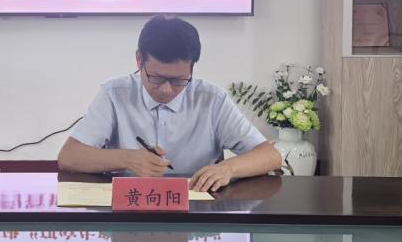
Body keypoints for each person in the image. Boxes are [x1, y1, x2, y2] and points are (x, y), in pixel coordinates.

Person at [57, 15, 281, 192]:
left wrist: (228, 169)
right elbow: (69, 157)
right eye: (156, 77)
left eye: (178, 80)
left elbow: (271, 156)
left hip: (195, 212)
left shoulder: (211, 99)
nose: (166, 89)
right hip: (130, 210)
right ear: (139, 60)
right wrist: (128, 159)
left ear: (192, 67)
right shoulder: (114, 95)